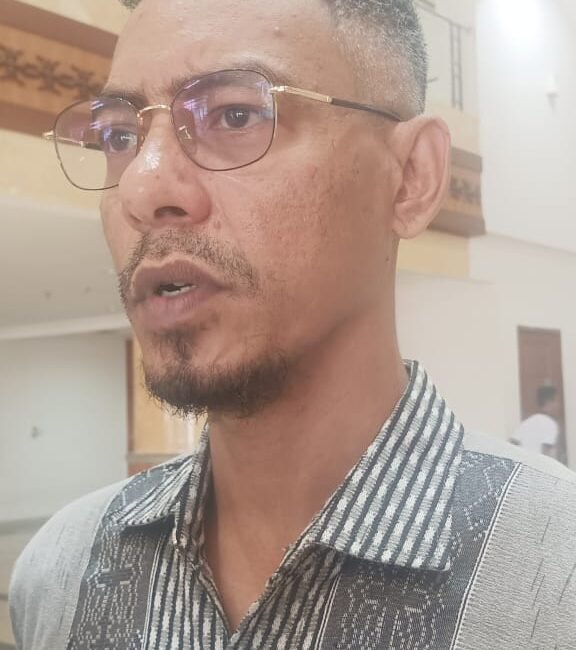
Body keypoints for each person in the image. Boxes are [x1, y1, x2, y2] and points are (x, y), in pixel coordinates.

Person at [9, 0, 576, 648]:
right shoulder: (61, 575)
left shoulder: (554, 578)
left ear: (410, 177)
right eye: (118, 137)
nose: (142, 187)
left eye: (235, 115)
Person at [511, 385, 560, 458]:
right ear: (549, 402)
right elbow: (546, 452)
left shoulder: (527, 422)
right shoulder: (550, 424)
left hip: (525, 462)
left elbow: (512, 442)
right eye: (557, 401)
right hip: (540, 463)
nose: (558, 405)